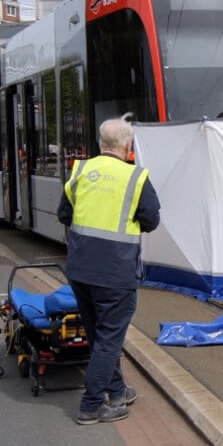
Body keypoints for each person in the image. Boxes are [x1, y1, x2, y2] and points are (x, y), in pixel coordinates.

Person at [57, 114, 161, 425]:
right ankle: (91, 405)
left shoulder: (81, 171)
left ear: (101, 143)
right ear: (127, 146)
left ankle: (117, 391)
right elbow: (152, 221)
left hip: (79, 270)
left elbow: (64, 214)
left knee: (99, 334)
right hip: (115, 272)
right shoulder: (136, 178)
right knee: (109, 339)